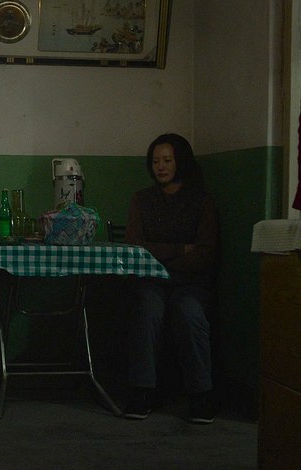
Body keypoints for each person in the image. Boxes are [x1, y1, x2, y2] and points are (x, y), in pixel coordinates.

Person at [123, 133, 219, 424]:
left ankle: (200, 395)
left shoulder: (201, 201)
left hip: (191, 282)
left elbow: (205, 252)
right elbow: (135, 246)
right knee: (147, 307)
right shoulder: (141, 199)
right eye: (155, 161)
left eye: (167, 160)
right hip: (152, 281)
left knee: (189, 312)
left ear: (181, 162)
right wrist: (179, 249)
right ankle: (142, 392)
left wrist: (163, 259)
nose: (160, 167)